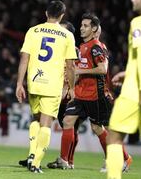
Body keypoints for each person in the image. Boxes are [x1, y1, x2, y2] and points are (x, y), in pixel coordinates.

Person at [47, 21, 132, 172]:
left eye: (85, 26)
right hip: (81, 94)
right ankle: (64, 160)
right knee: (68, 121)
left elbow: (102, 69)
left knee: (98, 128)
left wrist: (79, 72)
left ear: (94, 30)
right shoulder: (82, 48)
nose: (82, 28)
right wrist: (71, 86)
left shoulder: (96, 47)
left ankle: (123, 158)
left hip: (96, 95)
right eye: (81, 25)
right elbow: (78, 69)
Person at [16, 0, 77, 173]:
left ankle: (31, 155)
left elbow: (24, 59)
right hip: (52, 85)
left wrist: (19, 83)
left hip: (34, 82)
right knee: (45, 124)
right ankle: (35, 163)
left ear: (46, 13)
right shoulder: (67, 35)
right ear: (62, 15)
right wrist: (71, 88)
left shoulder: (33, 31)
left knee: (36, 120)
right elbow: (70, 66)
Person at [106, 0, 141, 179]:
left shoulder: (139, 23)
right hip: (136, 82)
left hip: (136, 91)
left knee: (114, 136)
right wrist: (127, 72)